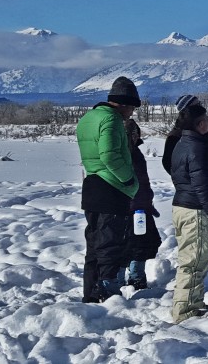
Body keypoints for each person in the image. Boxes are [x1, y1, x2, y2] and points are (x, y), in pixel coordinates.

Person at [76, 76, 140, 303]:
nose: (132, 113)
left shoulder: (88, 118)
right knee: (110, 243)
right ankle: (108, 293)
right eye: (132, 107)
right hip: (110, 189)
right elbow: (110, 156)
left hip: (92, 185)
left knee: (94, 245)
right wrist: (129, 180)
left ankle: (91, 292)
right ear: (123, 103)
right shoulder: (111, 120)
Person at [169, 104, 208, 323]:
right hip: (195, 211)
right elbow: (203, 186)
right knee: (193, 262)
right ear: (200, 123)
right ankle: (184, 312)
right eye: (206, 120)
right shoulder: (197, 148)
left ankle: (194, 302)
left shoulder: (183, 143)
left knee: (195, 259)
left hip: (183, 206)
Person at [163, 94, 208, 260]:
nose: (200, 106)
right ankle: (203, 250)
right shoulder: (177, 135)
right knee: (202, 215)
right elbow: (169, 162)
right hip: (193, 186)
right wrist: (183, 178)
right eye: (195, 104)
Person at [124, 119, 162, 289]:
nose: (135, 136)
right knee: (137, 244)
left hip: (140, 205)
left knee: (143, 242)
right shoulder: (126, 154)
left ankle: (135, 275)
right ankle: (135, 277)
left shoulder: (134, 152)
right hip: (134, 206)